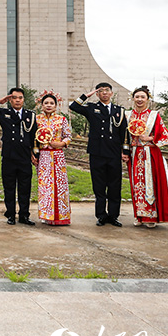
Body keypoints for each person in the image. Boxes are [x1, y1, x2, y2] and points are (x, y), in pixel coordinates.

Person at [70, 82, 130, 227]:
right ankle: (101, 215)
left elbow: (125, 133)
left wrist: (126, 152)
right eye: (101, 91)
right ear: (97, 94)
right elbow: (74, 106)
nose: (104, 93)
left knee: (115, 186)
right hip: (97, 153)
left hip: (114, 153)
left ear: (111, 93)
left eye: (107, 90)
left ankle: (113, 216)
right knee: (99, 186)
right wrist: (87, 95)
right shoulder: (92, 108)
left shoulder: (119, 111)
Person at [0, 88, 38, 225]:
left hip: (24, 157)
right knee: (9, 188)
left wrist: (35, 154)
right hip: (9, 157)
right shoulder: (3, 113)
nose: (17, 100)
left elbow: (34, 137)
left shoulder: (30, 115)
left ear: (24, 99)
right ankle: (11, 215)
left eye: (20, 97)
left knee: (25, 188)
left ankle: (24, 215)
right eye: (14, 98)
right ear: (10, 100)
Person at [126, 86, 168, 228]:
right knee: (136, 186)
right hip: (134, 154)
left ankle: (151, 216)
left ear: (148, 99)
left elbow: (164, 134)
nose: (140, 99)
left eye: (143, 97)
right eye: (137, 97)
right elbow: (123, 136)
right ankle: (139, 215)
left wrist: (150, 138)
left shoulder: (154, 115)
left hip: (150, 153)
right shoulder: (127, 115)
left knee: (150, 184)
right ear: (133, 98)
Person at [34, 92, 72, 226]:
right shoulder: (36, 119)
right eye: (46, 103)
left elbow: (68, 136)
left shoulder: (62, 119)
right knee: (45, 185)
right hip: (43, 155)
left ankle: (61, 216)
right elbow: (32, 139)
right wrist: (34, 154)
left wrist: (61, 144)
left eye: (51, 103)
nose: (49, 105)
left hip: (58, 155)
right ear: (42, 105)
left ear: (56, 106)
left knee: (60, 185)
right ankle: (46, 215)